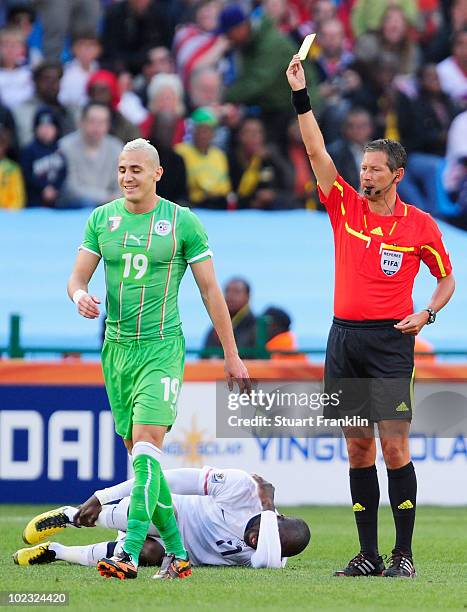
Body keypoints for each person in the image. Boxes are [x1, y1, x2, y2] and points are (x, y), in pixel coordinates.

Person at [286, 54, 455, 578]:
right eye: (362, 167)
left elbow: (446, 279)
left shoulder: (420, 226)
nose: (364, 175)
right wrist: (301, 96)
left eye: (374, 169)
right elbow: (315, 149)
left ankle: (403, 556)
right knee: (358, 449)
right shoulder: (344, 206)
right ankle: (368, 555)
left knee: (394, 444)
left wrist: (427, 313)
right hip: (344, 341)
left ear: (396, 176)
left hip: (389, 343)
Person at [66, 138, 250, 580]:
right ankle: (178, 553)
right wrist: (79, 297)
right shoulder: (101, 219)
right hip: (116, 351)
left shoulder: (182, 222)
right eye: (123, 169)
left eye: (136, 170)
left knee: (147, 448)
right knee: (144, 464)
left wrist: (231, 353)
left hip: (161, 348)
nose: (128, 177)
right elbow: (77, 277)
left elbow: (210, 291)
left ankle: (127, 552)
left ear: (157, 174)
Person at [15, 469, 310, 570]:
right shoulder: (241, 487)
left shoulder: (271, 552)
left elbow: (268, 554)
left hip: (175, 550)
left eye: (269, 542)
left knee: (149, 554)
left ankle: (57, 552)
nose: (258, 541)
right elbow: (168, 479)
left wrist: (268, 508)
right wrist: (103, 496)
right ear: (279, 518)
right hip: (169, 512)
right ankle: (72, 516)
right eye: (270, 532)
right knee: (157, 510)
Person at [59, 102, 121, 208]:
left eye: (102, 122)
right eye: (92, 121)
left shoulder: (117, 147)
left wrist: (116, 197)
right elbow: (70, 188)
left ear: (108, 125)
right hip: (74, 206)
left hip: (110, 205)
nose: (97, 127)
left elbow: (122, 183)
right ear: (81, 122)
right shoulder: (65, 147)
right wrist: (106, 197)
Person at [175, 107, 231, 209]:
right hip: (190, 206)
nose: (203, 135)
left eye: (208, 130)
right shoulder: (181, 152)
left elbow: (225, 188)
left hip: (215, 206)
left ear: (213, 133)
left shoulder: (219, 156)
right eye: (200, 130)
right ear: (193, 131)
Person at [20, 107, 67, 208]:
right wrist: (43, 188)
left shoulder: (60, 150)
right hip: (33, 201)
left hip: (56, 199)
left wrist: (54, 188)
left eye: (50, 127)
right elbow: (26, 175)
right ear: (35, 129)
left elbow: (63, 172)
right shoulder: (29, 150)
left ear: (57, 129)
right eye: (42, 127)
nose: (46, 130)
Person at [204, 277, 256, 352]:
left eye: (236, 292)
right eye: (227, 291)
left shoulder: (257, 327)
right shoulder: (216, 327)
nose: (230, 296)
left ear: (247, 296)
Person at [0, 126, 25, 209]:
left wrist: (9, 213)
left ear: (5, 146)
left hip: (8, 217)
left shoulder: (12, 169)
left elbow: (17, 197)